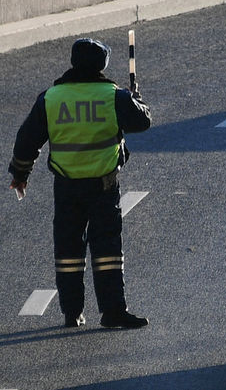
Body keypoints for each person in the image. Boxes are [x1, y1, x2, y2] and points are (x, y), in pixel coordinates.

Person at [8, 38, 151, 329]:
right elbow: (142, 122)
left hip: (67, 187)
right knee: (108, 250)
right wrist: (136, 99)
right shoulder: (114, 96)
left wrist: (20, 175)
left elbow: (28, 140)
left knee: (68, 252)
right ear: (101, 66)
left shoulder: (51, 98)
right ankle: (113, 311)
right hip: (104, 187)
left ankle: (72, 313)